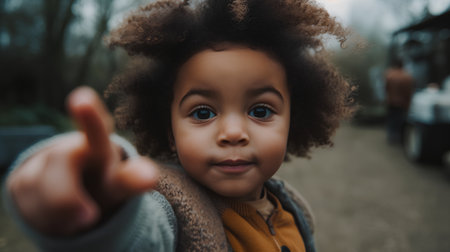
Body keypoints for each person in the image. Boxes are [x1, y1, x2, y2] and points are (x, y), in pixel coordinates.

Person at [2, 0, 354, 251]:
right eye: (202, 113)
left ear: (293, 121)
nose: (233, 133)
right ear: (170, 132)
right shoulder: (172, 210)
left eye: (261, 111)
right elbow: (139, 238)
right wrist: (106, 213)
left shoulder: (293, 208)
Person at [384, 59, 414, 144]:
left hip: (391, 101)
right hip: (402, 103)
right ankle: (400, 138)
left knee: (391, 119)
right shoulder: (407, 77)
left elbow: (386, 89)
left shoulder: (389, 75)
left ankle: (391, 137)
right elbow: (409, 92)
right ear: (402, 65)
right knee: (400, 120)